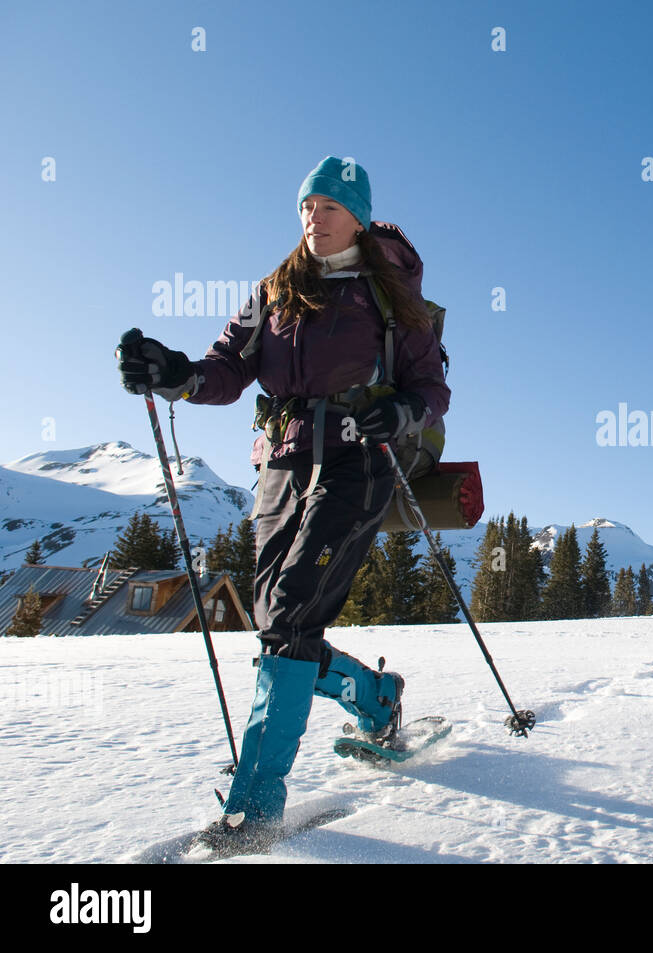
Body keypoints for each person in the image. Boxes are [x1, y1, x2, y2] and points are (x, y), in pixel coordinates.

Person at [117, 156, 450, 851]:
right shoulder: (276, 290)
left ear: (356, 216)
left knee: (292, 609)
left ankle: (255, 807)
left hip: (359, 462)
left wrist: (405, 410)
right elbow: (226, 368)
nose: (313, 219)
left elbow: (430, 385)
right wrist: (174, 373)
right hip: (284, 463)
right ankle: (376, 697)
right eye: (306, 207)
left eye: (328, 207)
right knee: (278, 624)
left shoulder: (391, 293)